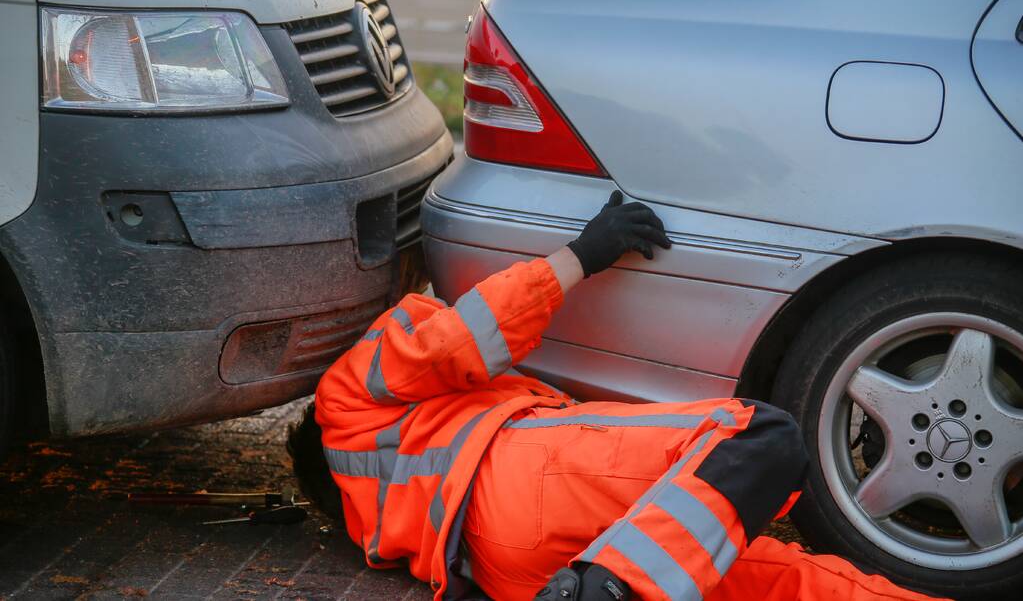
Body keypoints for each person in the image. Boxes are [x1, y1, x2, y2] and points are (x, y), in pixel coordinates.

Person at [308, 192, 945, 601]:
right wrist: (582, 254)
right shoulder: (343, 395)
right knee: (759, 439)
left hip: (516, 574)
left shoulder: (372, 506)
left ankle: (604, 588)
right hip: (529, 486)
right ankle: (606, 590)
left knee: (782, 578)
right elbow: (459, 340)